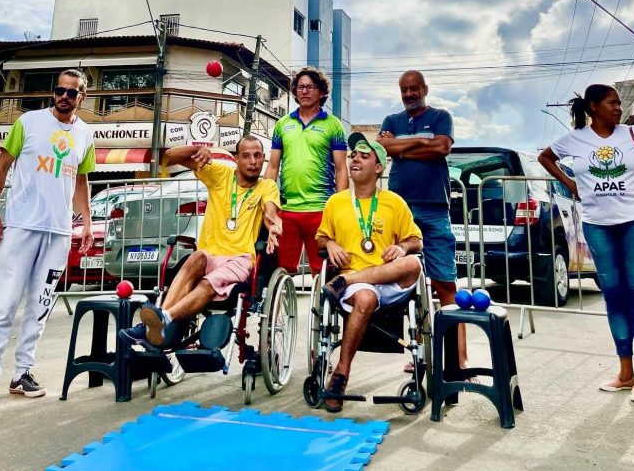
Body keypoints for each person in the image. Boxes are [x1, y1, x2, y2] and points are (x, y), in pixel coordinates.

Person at [0, 69, 96, 412]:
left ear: (82, 98)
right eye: (60, 90)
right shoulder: (28, 122)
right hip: (22, 228)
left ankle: (22, 374)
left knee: (40, 306)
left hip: (58, 233)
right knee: (5, 304)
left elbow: (82, 182)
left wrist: (85, 224)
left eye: (72, 93)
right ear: (53, 92)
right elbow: (0, 169)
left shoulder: (86, 134)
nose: (64, 97)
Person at [539, 84, 634, 405]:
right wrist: (569, 183)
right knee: (614, 296)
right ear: (593, 107)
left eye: (619, 103)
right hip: (597, 225)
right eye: (612, 103)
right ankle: (625, 372)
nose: (618, 108)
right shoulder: (575, 139)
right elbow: (546, 157)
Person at [121, 136, 282, 346]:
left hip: (239, 259)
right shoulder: (221, 174)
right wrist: (198, 150)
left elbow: (270, 212)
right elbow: (169, 156)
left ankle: (163, 318)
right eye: (246, 156)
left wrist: (273, 226)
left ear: (263, 159)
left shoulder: (267, 186)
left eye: (258, 156)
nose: (253, 161)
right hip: (210, 254)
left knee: (208, 282)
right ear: (236, 159)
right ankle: (159, 321)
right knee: (196, 256)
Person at [316, 133, 423, 413]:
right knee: (364, 297)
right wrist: (331, 243)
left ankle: (346, 280)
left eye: (364, 156)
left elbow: (416, 241)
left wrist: (402, 248)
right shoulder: (336, 202)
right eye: (353, 155)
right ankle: (340, 373)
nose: (355, 159)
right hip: (358, 290)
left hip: (382, 280)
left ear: (378, 168)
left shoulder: (394, 202)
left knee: (415, 264)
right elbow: (320, 239)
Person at [376, 70, 470, 375]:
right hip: (400, 210)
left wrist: (402, 147)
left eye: (414, 89)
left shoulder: (442, 115)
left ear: (424, 89)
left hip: (434, 209)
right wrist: (420, 142)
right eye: (404, 89)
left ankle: (459, 357)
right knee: (409, 283)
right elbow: (384, 148)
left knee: (445, 282)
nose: (409, 94)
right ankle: (419, 352)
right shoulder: (392, 121)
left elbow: (442, 148)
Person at [265, 67, 348, 276]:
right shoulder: (283, 124)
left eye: (310, 87)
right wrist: (268, 203)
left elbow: (341, 169)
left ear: (321, 92)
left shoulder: (333, 125)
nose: (304, 91)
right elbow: (273, 166)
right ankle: (283, 309)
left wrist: (340, 205)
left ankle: (322, 308)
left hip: (321, 209)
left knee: (323, 273)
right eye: (300, 87)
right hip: (287, 210)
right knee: (282, 271)